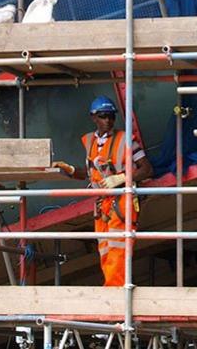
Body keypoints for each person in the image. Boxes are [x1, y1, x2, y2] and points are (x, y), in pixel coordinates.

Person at [54, 96, 153, 286]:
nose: (107, 120)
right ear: (94, 118)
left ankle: (115, 291)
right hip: (102, 205)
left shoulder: (126, 140)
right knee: (105, 249)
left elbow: (147, 169)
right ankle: (112, 287)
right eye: (103, 116)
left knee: (119, 248)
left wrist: (123, 178)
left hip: (121, 201)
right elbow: (92, 173)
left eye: (110, 117)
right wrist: (71, 170)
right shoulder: (91, 143)